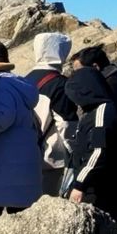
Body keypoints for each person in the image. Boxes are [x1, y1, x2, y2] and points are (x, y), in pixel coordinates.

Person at [0, 40, 43, 227]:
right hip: (21, 163)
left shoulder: (0, 86)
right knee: (21, 219)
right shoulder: (16, 84)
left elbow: (1, 120)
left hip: (4, 164)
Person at [66, 67, 117, 234]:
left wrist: (79, 184)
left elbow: (98, 153)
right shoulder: (98, 111)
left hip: (106, 189)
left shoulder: (102, 114)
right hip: (103, 187)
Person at [23, 32, 76, 195]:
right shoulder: (61, 84)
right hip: (51, 157)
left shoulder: (24, 79)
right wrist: (74, 152)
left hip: (23, 151)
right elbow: (66, 124)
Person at [71, 46, 117, 146]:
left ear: (95, 67)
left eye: (79, 72)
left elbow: (103, 121)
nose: (77, 76)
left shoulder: (108, 87)